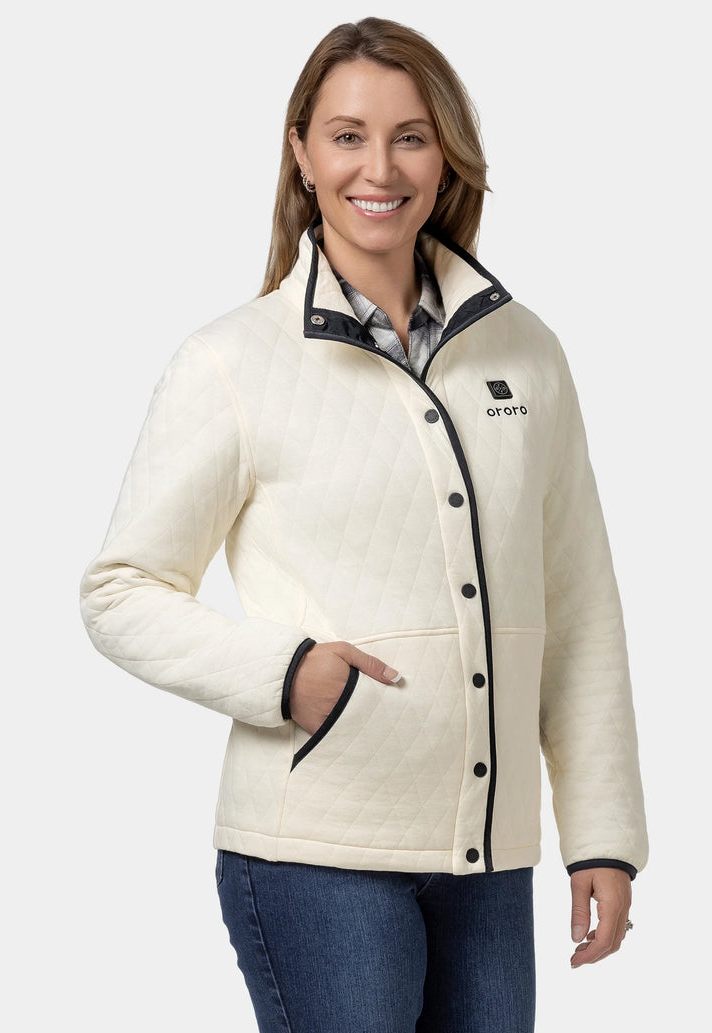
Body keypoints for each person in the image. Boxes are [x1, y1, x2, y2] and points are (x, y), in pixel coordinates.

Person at [80, 16, 648, 1033]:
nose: (378, 168)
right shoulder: (231, 363)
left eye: (410, 137)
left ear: (447, 157)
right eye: (347, 136)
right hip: (316, 859)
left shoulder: (525, 353)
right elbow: (120, 591)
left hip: (487, 858)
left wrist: (601, 833)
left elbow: (579, 605)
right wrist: (288, 673)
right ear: (302, 153)